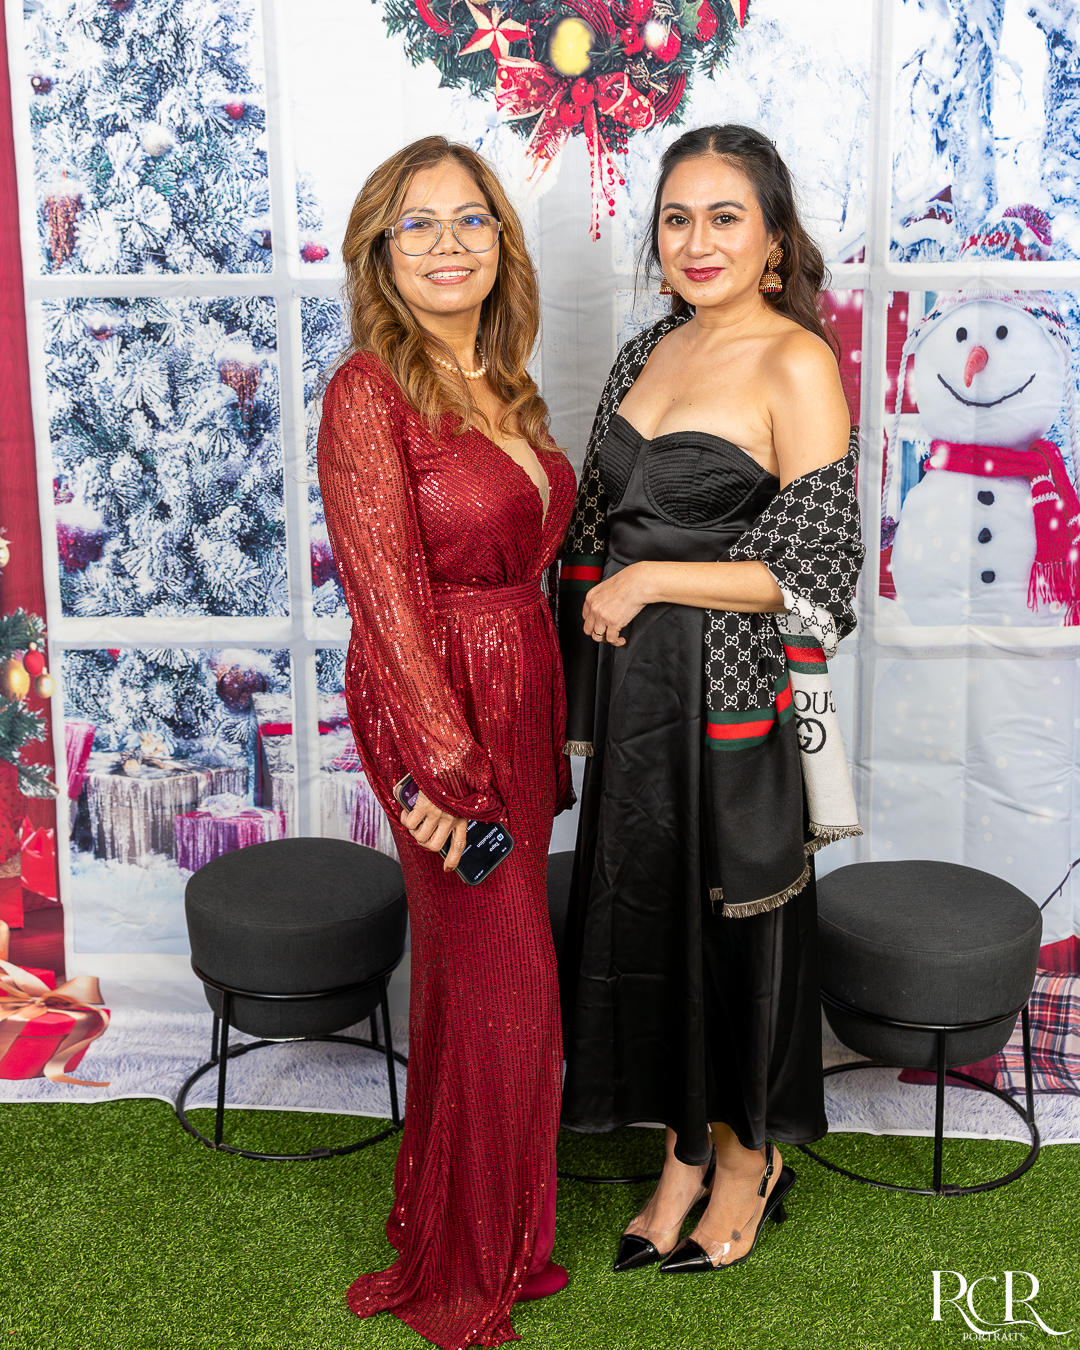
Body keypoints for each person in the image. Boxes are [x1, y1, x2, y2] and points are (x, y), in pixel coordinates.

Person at [557, 124, 864, 1275]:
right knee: (651, 918)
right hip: (636, 702)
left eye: (726, 217)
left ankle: (747, 1160)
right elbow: (595, 522)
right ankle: (682, 1153)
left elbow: (821, 573)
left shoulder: (796, 363)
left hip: (733, 699)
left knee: (738, 929)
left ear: (774, 239)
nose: (698, 240)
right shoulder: (650, 347)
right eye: (677, 218)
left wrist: (650, 580)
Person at [317, 135, 575, 1349]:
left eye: (469, 219)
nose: (446, 244)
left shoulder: (504, 383)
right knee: (506, 990)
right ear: (381, 253)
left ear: (501, 243)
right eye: (415, 225)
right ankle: (461, 1270)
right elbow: (384, 599)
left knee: (480, 990)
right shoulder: (368, 391)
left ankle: (490, 1235)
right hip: (440, 712)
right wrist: (441, 773)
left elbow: (530, 569)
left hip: (516, 699)